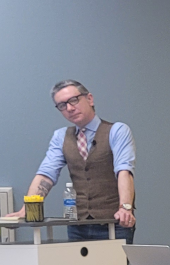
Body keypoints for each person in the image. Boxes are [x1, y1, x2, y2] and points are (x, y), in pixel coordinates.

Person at [8, 80, 137, 243]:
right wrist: (27, 209)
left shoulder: (117, 130)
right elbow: (46, 175)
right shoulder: (61, 136)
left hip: (115, 223)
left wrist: (125, 207)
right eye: (62, 105)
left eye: (73, 100)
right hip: (78, 224)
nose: (69, 108)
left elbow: (124, 171)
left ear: (89, 99)